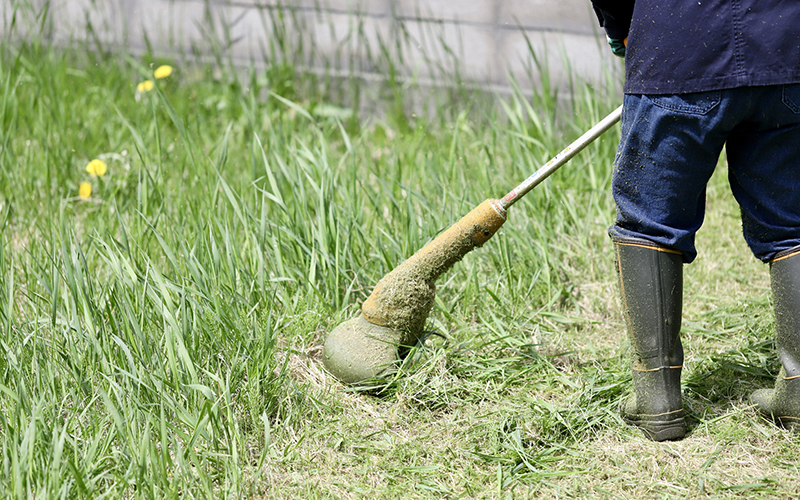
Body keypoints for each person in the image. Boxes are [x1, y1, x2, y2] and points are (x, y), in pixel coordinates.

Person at [590, 1, 800, 441]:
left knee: (649, 222)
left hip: (679, 47)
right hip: (787, 49)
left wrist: (621, 26)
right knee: (793, 226)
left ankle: (657, 397)